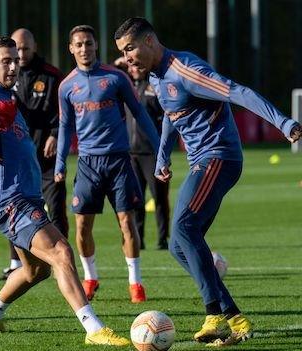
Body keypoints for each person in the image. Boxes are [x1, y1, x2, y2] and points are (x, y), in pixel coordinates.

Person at [114, 17, 302, 346]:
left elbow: (237, 92)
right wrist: (163, 155)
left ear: (149, 41)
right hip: (200, 160)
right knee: (178, 245)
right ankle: (235, 317)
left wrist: (283, 122)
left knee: (184, 228)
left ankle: (214, 313)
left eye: (130, 48)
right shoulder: (157, 77)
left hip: (220, 157)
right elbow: (173, 116)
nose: (127, 57)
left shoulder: (185, 69)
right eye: (123, 52)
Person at [0, 35, 130, 346]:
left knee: (36, 272)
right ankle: (93, 328)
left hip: (27, 198)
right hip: (11, 202)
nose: (14, 66)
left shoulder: (7, 98)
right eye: (6, 61)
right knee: (61, 253)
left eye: (15, 60)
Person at [55, 25, 160, 303]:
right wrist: (60, 163)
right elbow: (65, 127)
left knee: (127, 222)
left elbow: (139, 112)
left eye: (88, 43)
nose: (84, 49)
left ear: (96, 45)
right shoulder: (66, 86)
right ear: (71, 48)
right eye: (78, 44)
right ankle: (90, 278)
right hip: (88, 164)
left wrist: (160, 147)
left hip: (119, 161)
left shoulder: (116, 78)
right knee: (82, 227)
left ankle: (135, 283)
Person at [0, 28, 69, 280]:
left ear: (34, 47)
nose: (21, 54)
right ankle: (16, 264)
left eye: (26, 48)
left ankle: (63, 261)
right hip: (18, 159)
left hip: (47, 156)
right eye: (17, 49)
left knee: (56, 206)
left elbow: (65, 110)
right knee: (12, 209)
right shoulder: (6, 79)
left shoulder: (51, 76)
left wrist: (56, 134)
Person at [114, 56, 170, 250]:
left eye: (137, 65)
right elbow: (107, 83)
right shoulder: (125, 87)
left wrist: (163, 149)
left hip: (152, 154)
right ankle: (140, 240)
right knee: (136, 200)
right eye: (130, 66)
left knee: (159, 198)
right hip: (131, 154)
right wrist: (116, 66)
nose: (134, 69)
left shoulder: (154, 86)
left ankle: (163, 239)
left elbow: (166, 119)